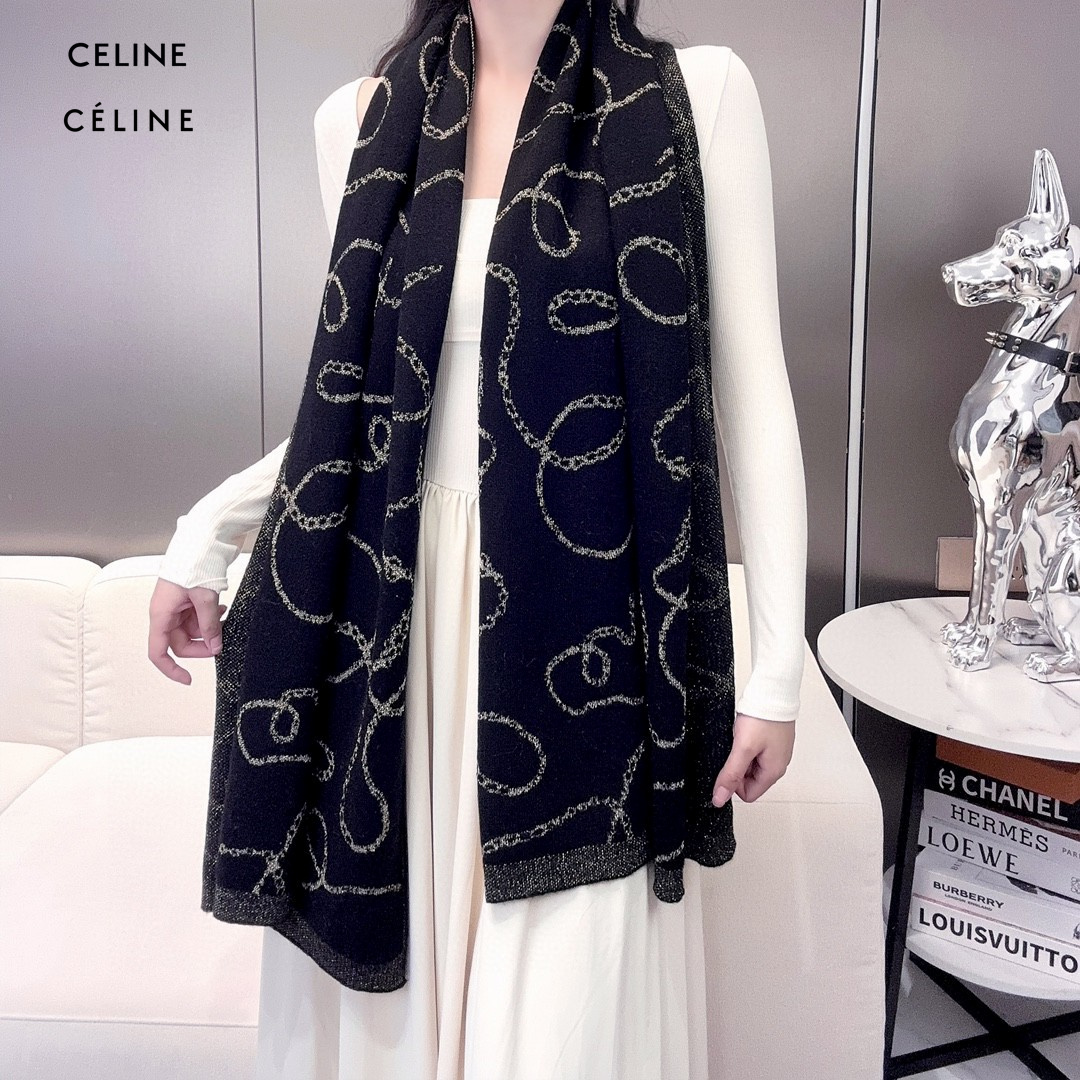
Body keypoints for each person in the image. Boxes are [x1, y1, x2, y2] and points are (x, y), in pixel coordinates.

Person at [148, 1, 807, 1076]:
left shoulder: (698, 97)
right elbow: (354, 412)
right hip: (395, 619)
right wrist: (203, 538)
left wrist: (775, 676)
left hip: (583, 620)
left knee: (564, 1010)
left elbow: (753, 395)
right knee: (392, 986)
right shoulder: (358, 121)